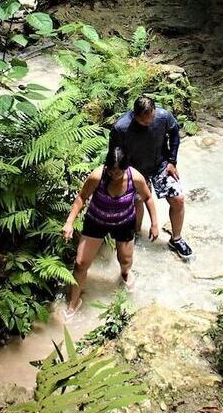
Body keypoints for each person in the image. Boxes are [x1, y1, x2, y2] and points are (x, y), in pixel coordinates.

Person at [62, 146, 158, 318]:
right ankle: (74, 303)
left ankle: (125, 274)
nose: (114, 175)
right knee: (80, 263)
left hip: (124, 222)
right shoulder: (97, 176)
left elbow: (148, 197)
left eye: (118, 173)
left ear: (126, 168)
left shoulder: (135, 177)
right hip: (96, 221)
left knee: (125, 260)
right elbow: (81, 197)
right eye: (111, 171)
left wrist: (154, 224)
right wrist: (69, 222)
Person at [109, 96, 193, 259]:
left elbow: (174, 134)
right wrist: (120, 176)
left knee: (178, 199)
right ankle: (136, 234)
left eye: (151, 118)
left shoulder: (164, 116)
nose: (148, 122)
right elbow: (115, 155)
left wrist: (172, 161)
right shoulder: (121, 128)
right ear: (135, 115)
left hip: (161, 164)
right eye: (144, 121)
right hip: (136, 169)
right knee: (137, 202)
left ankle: (176, 239)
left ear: (155, 111)